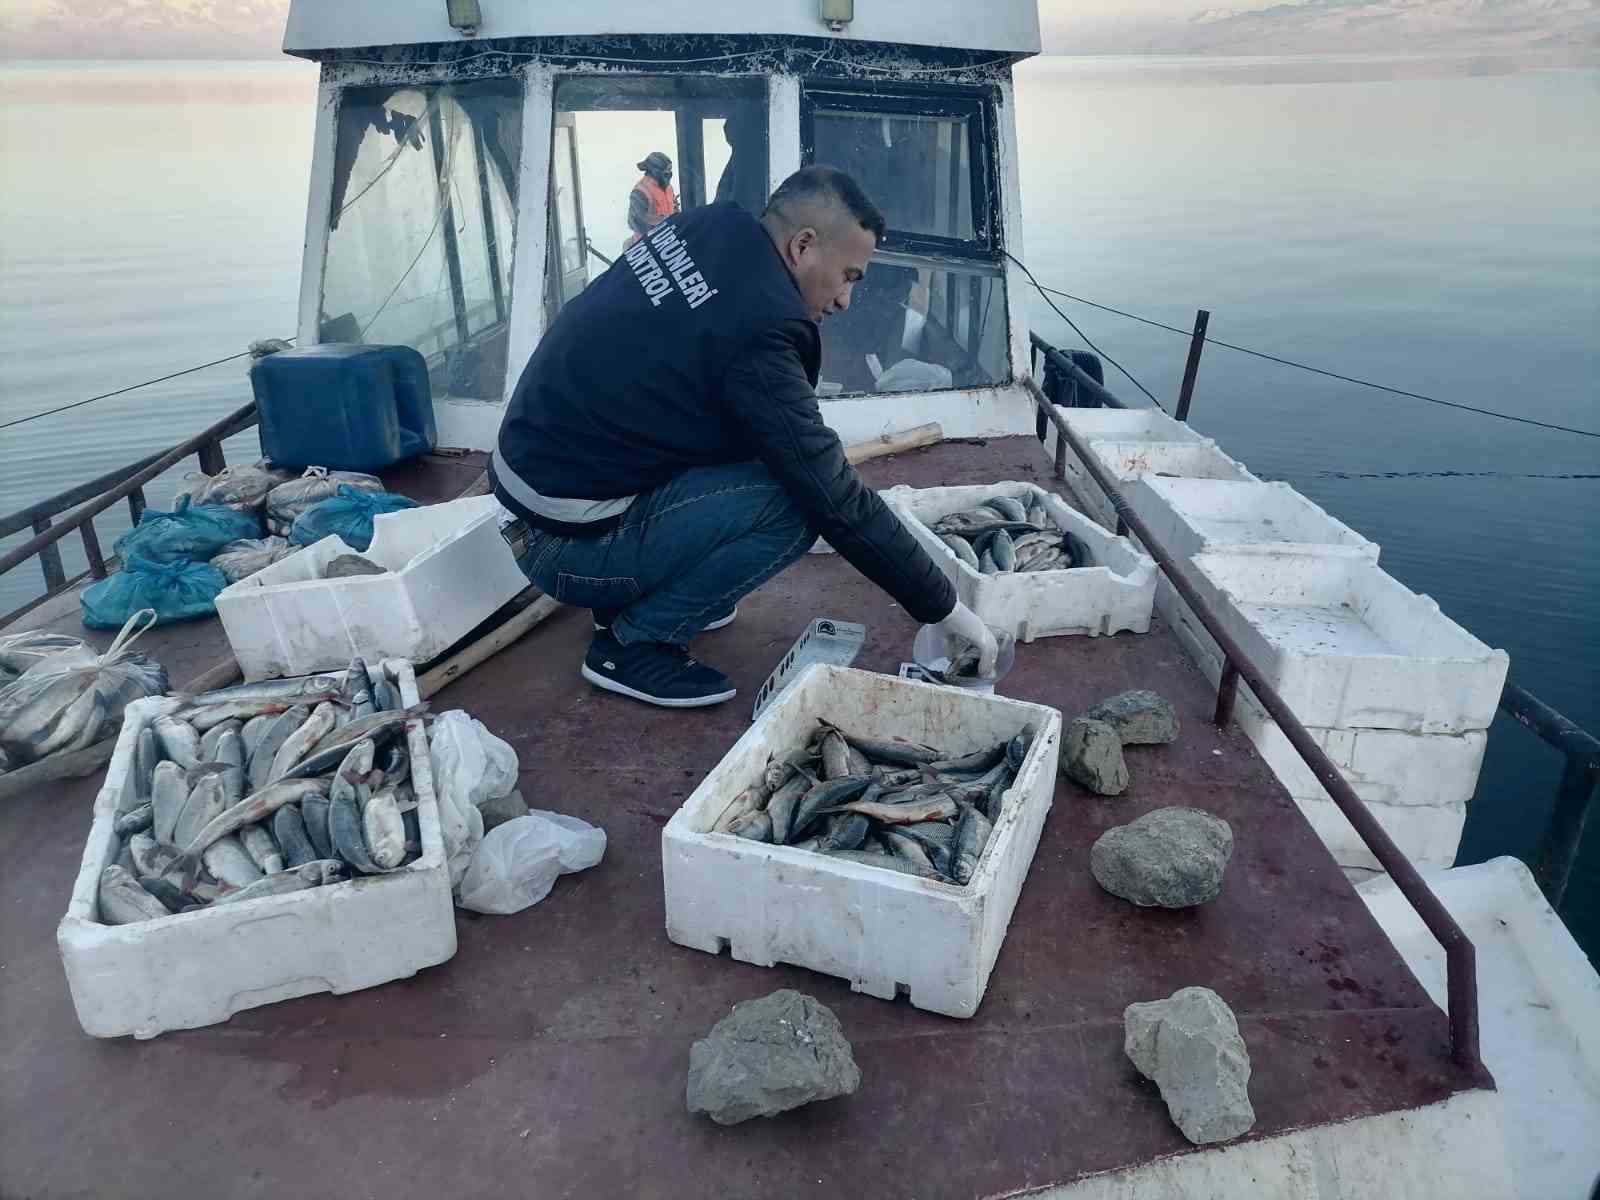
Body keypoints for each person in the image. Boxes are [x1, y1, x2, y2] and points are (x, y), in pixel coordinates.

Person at [490, 166, 999, 708]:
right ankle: (634, 643)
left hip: (535, 498)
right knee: (799, 503)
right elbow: (835, 500)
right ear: (803, 246)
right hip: (566, 548)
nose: (847, 299)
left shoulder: (712, 226)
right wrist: (947, 610)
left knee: (765, 455)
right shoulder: (759, 331)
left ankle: (642, 590)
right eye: (849, 275)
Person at [626, 151, 678, 246]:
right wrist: (659, 230)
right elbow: (634, 222)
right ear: (655, 171)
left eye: (670, 170)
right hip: (647, 244)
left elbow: (673, 210)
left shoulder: (668, 188)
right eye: (666, 171)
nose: (669, 174)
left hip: (668, 239)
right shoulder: (640, 191)